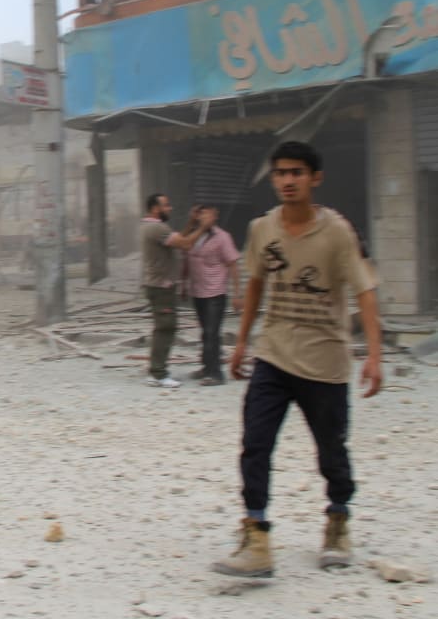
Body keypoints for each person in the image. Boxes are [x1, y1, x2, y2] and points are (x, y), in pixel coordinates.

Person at [213, 141, 383, 578]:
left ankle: (338, 520)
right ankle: (256, 535)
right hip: (273, 355)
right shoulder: (262, 229)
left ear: (314, 178)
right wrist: (241, 343)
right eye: (280, 173)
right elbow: (254, 285)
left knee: (331, 450)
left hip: (325, 362)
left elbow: (364, 291)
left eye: (297, 172)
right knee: (255, 442)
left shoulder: (338, 232)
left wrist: (375, 356)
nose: (288, 180)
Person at [140, 193, 216, 388]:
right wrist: (203, 227)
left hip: (160, 285)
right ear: (155, 208)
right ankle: (157, 374)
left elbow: (179, 239)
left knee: (165, 327)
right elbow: (186, 244)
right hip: (160, 286)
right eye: (166, 205)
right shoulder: (156, 228)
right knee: (165, 328)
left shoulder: (155, 227)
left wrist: (191, 223)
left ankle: (157, 370)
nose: (170, 208)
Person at [181, 204, 242, 386]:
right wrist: (183, 284)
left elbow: (232, 264)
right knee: (204, 333)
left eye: (208, 214)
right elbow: (184, 255)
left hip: (215, 292)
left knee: (212, 332)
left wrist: (237, 293)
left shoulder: (223, 237)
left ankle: (216, 374)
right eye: (201, 213)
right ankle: (206, 367)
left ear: (215, 216)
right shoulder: (194, 236)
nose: (204, 217)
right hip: (197, 292)